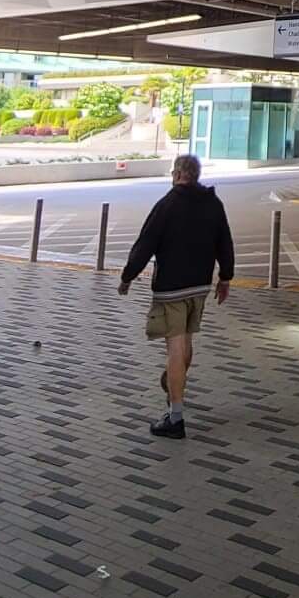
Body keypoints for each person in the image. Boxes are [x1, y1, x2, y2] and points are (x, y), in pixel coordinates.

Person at [119, 154, 234, 440]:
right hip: (200, 286)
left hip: (171, 288)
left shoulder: (167, 205)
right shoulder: (213, 203)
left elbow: (145, 244)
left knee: (175, 348)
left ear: (179, 174)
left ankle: (176, 416)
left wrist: (127, 277)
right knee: (186, 342)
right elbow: (225, 241)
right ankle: (174, 378)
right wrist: (225, 278)